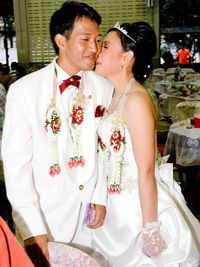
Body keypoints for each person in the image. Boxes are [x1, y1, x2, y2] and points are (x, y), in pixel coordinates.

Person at [1, 1, 113, 266]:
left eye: (97, 40)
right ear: (61, 40)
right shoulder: (24, 90)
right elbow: (16, 164)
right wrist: (32, 228)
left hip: (90, 217)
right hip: (46, 218)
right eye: (85, 39)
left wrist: (99, 197)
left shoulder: (103, 88)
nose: (94, 49)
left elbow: (105, 149)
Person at [92, 21, 200, 266]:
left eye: (106, 46)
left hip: (135, 204)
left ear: (126, 57)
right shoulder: (113, 95)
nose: (99, 52)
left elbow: (146, 169)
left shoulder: (136, 100)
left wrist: (150, 227)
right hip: (113, 200)